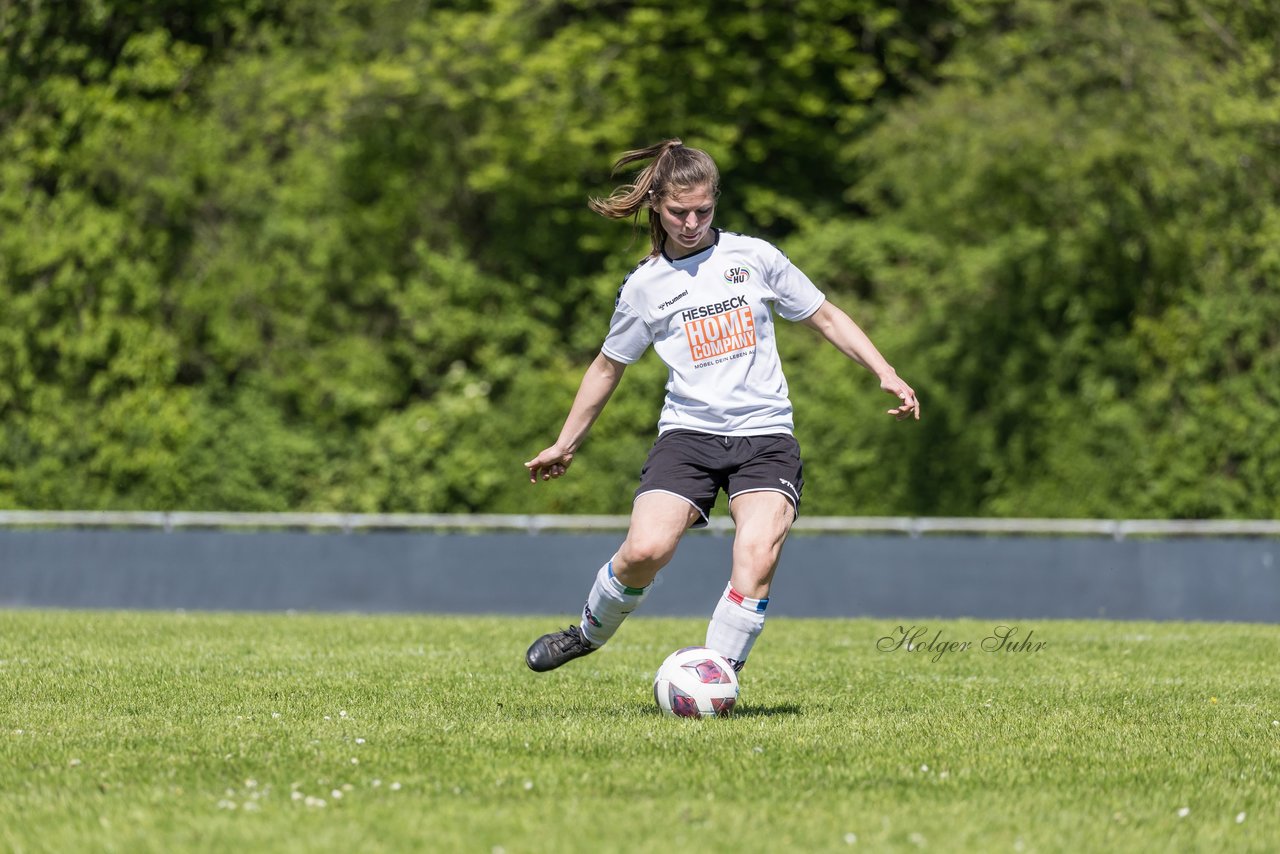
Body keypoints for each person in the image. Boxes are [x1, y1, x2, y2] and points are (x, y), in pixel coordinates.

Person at [523, 138, 919, 675]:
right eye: (678, 212)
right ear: (657, 208)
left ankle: (715, 677)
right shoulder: (645, 287)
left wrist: (885, 370)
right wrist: (564, 443)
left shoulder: (754, 257)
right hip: (688, 436)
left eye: (703, 211)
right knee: (645, 550)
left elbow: (825, 315)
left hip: (766, 436)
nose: (691, 222)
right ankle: (586, 634)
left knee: (757, 555)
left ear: (715, 202)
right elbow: (607, 366)